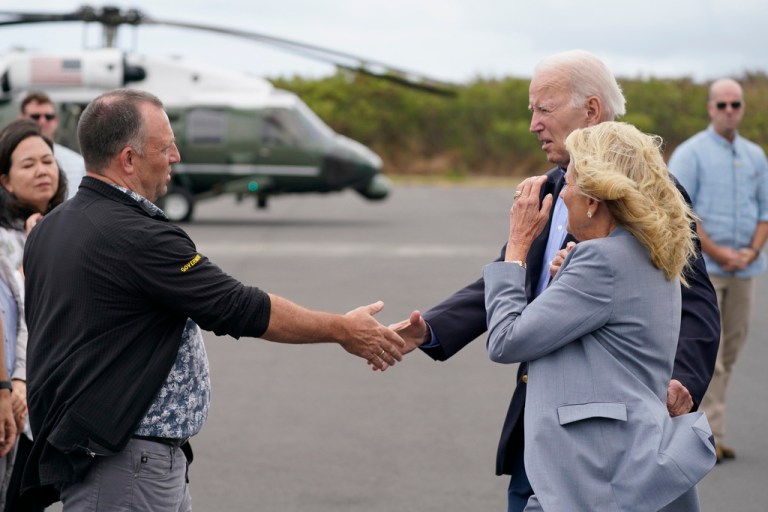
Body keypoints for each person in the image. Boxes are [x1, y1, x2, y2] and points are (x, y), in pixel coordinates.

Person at [19, 88, 405, 511]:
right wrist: (342, 329)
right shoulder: (138, 236)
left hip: (107, 457)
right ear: (128, 159)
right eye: (165, 147)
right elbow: (239, 307)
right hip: (125, 466)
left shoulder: (51, 228)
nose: (176, 156)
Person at [390, 50, 721, 511]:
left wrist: (682, 377)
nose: (532, 124)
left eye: (544, 109)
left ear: (590, 110)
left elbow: (696, 297)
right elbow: (512, 275)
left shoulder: (651, 194)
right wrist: (430, 327)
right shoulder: (551, 187)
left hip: (604, 444)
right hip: (541, 418)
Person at [485, 121, 716, 511]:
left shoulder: (601, 262)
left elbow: (506, 340)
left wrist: (517, 250)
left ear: (594, 200)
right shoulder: (649, 251)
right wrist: (572, 268)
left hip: (595, 474)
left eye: (570, 184)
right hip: (626, 465)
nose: (562, 197)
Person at [668, 78, 768, 463]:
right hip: (703, 270)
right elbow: (681, 214)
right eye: (722, 104)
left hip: (746, 268)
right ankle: (708, 435)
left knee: (732, 350)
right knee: (710, 353)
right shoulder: (690, 154)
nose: (730, 110)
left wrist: (749, 252)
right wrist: (719, 252)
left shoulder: (756, 156)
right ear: (710, 108)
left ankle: (708, 430)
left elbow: (764, 211)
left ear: (743, 108)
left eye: (736, 104)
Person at [0, 119, 67, 510]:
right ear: (5, 180)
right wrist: (18, 380)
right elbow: (22, 314)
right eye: (28, 164)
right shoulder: (7, 241)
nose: (43, 170)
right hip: (19, 393)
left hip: (55, 394)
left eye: (47, 160)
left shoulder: (68, 226)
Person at [18, 91, 85, 199]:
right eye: (35, 116)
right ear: (21, 118)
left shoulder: (77, 163)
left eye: (49, 116)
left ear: (56, 121)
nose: (43, 121)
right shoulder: (8, 156)